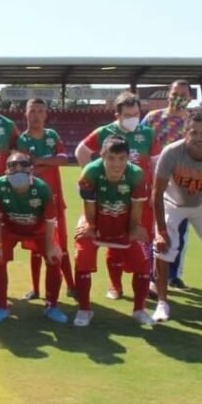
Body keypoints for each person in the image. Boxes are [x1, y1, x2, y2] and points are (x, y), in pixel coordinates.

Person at [151, 112, 202, 323]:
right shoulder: (171, 152)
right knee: (164, 248)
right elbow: (157, 193)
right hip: (173, 202)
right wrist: (161, 231)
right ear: (186, 133)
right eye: (194, 132)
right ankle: (162, 303)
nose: (199, 137)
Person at [75, 91, 160, 299]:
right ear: (117, 115)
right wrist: (94, 181)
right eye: (128, 115)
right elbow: (81, 152)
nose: (133, 119)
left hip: (139, 197)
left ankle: (146, 281)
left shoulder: (148, 133)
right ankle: (115, 286)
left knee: (141, 239)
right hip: (109, 198)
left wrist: (155, 192)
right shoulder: (104, 132)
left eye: (136, 114)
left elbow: (156, 163)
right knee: (113, 240)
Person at [73, 136, 155, 327]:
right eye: (111, 158)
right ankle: (84, 309)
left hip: (125, 221)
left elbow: (137, 207)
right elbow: (89, 205)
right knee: (83, 255)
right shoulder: (90, 172)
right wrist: (91, 227)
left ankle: (139, 310)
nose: (116, 164)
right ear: (102, 156)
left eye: (121, 159)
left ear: (128, 158)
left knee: (143, 263)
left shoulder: (136, 174)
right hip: (95, 219)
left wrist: (134, 229)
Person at [0, 151, 66, 324]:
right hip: (10, 228)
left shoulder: (42, 188)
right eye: (12, 166)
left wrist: (51, 245)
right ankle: (1, 307)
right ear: (6, 170)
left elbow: (51, 220)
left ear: (31, 168)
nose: (17, 169)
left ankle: (52, 306)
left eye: (22, 165)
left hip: (40, 229)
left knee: (54, 258)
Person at [16, 97, 76, 302]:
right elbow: (24, 170)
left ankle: (71, 285)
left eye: (40, 111)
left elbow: (63, 159)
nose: (36, 115)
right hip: (33, 202)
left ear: (46, 114)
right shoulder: (22, 140)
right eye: (32, 111)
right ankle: (35, 289)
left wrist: (39, 161)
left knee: (62, 244)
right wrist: (48, 164)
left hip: (55, 199)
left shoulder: (52, 135)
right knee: (34, 247)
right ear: (25, 113)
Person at [142, 79, 195, 289]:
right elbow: (140, 143)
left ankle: (173, 275)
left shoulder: (194, 122)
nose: (178, 98)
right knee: (153, 228)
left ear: (190, 98)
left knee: (180, 231)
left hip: (182, 185)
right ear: (168, 95)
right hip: (155, 182)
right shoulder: (152, 118)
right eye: (175, 93)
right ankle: (149, 273)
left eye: (183, 94)